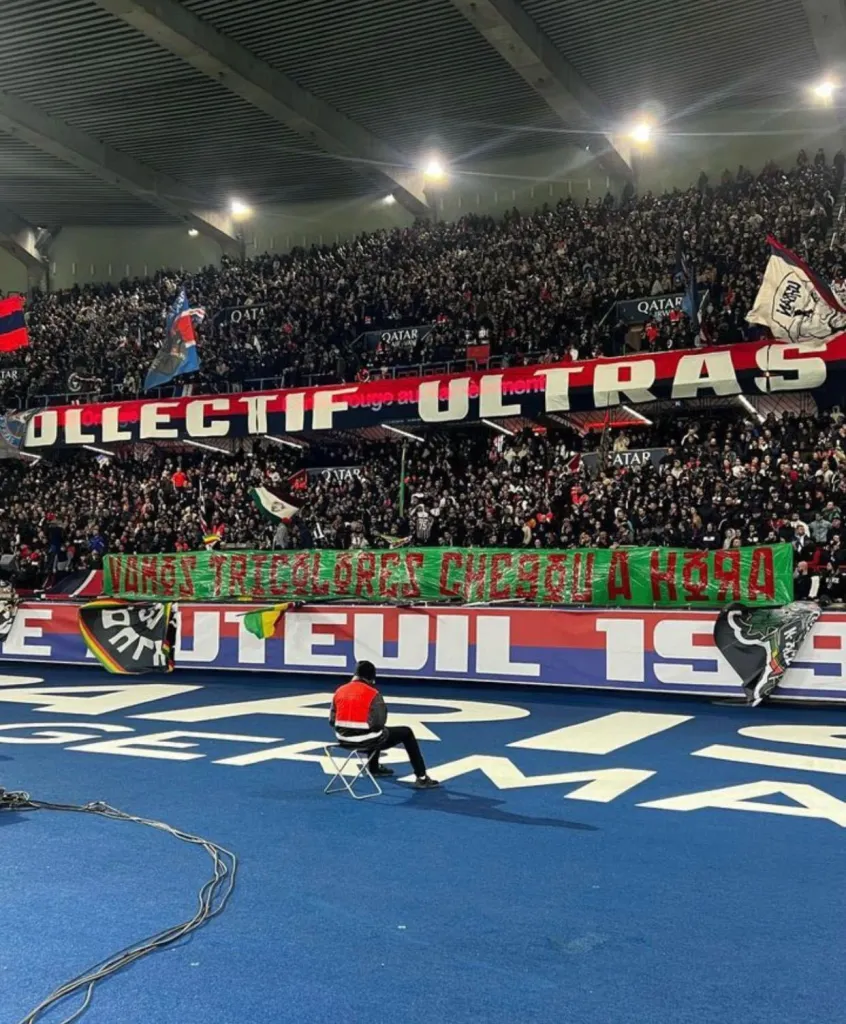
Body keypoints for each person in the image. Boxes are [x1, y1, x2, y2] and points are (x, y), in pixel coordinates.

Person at [329, 660, 440, 788]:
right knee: (404, 732)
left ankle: (374, 768)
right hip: (367, 742)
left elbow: (332, 720)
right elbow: (378, 724)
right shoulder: (372, 693)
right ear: (371, 678)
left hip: (342, 740)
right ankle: (422, 777)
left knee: (373, 730)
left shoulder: (339, 691)